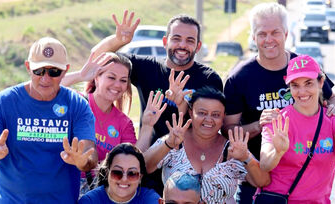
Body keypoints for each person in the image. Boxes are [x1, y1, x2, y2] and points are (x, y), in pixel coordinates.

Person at [65, 10, 223, 194]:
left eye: (190, 41)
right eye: (176, 38)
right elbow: (99, 60)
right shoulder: (147, 68)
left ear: (198, 46)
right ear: (165, 42)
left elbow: (210, 125)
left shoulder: (209, 78)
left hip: (190, 169)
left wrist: (182, 104)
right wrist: (118, 41)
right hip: (149, 167)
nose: (182, 45)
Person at [222, 3, 335, 203]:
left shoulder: (302, 66)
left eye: (275, 32)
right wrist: (260, 125)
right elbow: (228, 130)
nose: (269, 40)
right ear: (253, 37)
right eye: (262, 34)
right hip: (258, 179)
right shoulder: (239, 78)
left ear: (286, 33)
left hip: (309, 181)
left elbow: (330, 98)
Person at [0, 37, 98, 203]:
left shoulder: (77, 105)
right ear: (28, 67)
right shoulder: (4, 102)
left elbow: (90, 154)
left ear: (65, 71)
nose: (46, 78)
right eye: (39, 70)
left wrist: (83, 161)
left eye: (54, 72)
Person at [61, 52, 166, 194]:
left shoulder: (124, 123)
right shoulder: (77, 102)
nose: (117, 85)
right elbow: (49, 87)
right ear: (96, 78)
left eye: (123, 80)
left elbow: (133, 160)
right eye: (111, 77)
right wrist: (80, 75)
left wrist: (147, 126)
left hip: (97, 193)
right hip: (63, 185)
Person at [144, 86, 270, 204]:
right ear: (190, 112)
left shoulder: (233, 149)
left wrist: (245, 158)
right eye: (202, 113)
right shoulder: (173, 140)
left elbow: (262, 181)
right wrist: (167, 144)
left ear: (223, 118)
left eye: (215, 115)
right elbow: (144, 167)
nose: (208, 119)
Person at [259, 55, 335, 203]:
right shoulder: (276, 120)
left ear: (321, 82)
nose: (302, 92)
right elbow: (265, 165)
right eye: (295, 85)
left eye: (308, 83)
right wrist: (278, 152)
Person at [78, 143, 160, 204]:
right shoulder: (90, 201)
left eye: (132, 173)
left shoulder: (151, 199)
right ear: (107, 173)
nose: (124, 179)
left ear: (140, 177)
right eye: (117, 172)